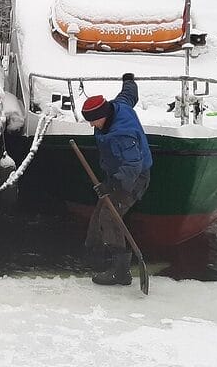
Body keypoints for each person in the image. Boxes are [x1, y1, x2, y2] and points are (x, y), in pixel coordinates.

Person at [80, 72, 153, 286]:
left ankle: (120, 272)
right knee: (100, 212)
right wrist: (129, 81)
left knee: (110, 216)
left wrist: (111, 185)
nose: (92, 125)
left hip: (133, 178)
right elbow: (128, 95)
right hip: (118, 173)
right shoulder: (118, 106)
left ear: (103, 115)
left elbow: (133, 166)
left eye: (94, 121)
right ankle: (95, 256)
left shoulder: (123, 134)